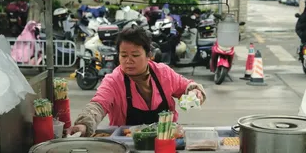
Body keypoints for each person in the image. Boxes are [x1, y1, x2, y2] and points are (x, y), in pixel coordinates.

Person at [66, 27, 206, 137]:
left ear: (149, 55)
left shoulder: (163, 73)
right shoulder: (114, 80)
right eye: (124, 55)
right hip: (128, 147)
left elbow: (187, 86)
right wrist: (84, 124)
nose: (128, 60)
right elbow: (98, 105)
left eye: (135, 55)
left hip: (166, 142)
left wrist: (195, 91)